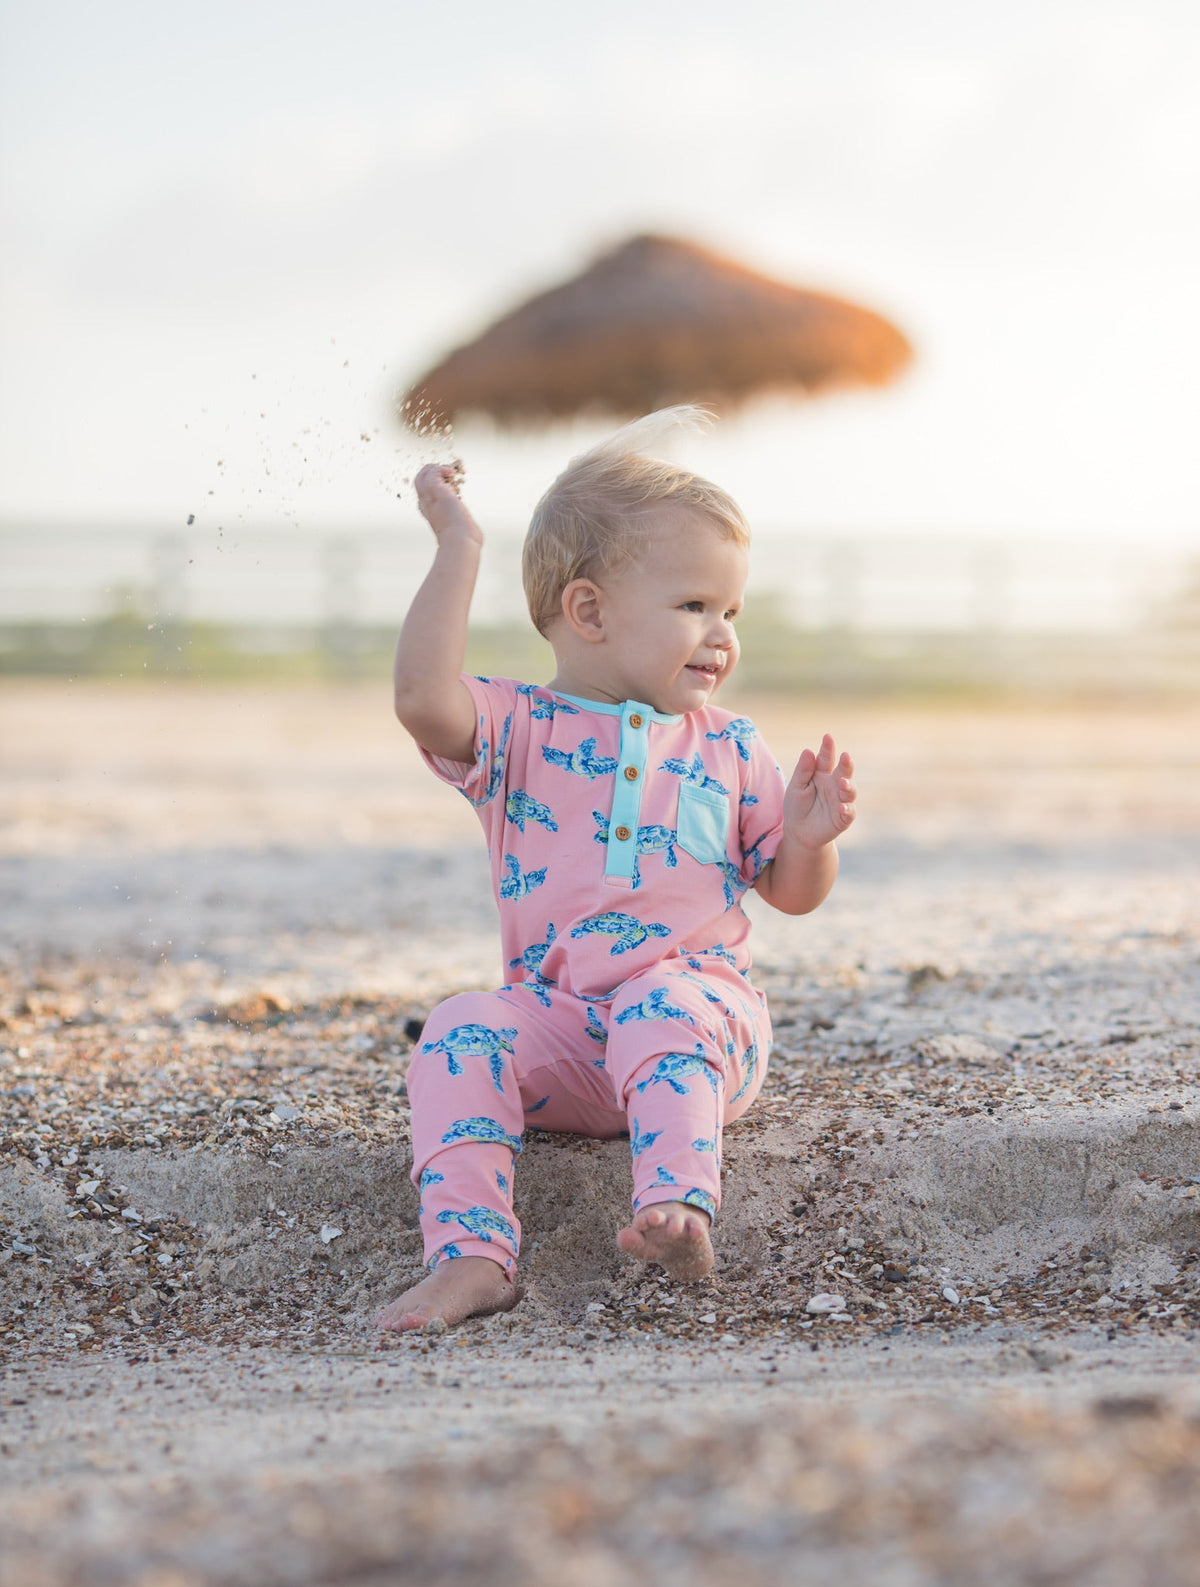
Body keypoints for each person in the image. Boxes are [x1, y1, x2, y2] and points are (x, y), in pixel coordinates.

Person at [374, 408, 856, 1332]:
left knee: (659, 1001)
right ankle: (473, 1253)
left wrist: (808, 837)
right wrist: (459, 545)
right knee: (458, 1028)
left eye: (730, 610)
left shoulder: (729, 746)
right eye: (693, 606)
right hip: (565, 1036)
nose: (721, 634)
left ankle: (678, 1207)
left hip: (703, 1024)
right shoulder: (518, 730)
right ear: (588, 610)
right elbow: (420, 698)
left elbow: (791, 892)